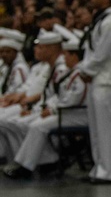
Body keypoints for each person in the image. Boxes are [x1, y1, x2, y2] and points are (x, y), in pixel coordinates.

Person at [4, 35, 88, 179]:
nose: (64, 58)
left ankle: (29, 166)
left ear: (74, 56)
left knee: (37, 126)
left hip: (76, 113)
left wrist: (51, 109)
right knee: (20, 123)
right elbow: (56, 95)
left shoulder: (77, 73)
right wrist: (41, 108)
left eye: (67, 55)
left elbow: (74, 98)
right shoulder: (66, 70)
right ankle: (40, 161)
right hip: (64, 111)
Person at [78, 0, 111, 184]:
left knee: (105, 126)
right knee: (95, 127)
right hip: (96, 77)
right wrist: (86, 70)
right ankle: (99, 167)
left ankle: (109, 171)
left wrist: (87, 70)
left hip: (105, 78)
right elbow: (92, 50)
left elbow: (102, 53)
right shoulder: (100, 19)